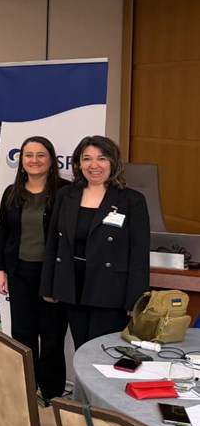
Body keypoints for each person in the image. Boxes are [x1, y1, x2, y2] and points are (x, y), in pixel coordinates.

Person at [41, 136, 150, 348]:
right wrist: (48, 286)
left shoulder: (131, 200)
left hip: (110, 289)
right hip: (73, 286)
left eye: (101, 158)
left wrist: (136, 300)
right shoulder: (66, 195)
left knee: (103, 352)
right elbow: (53, 242)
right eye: (87, 158)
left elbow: (139, 253)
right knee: (81, 348)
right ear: (78, 163)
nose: (94, 165)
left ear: (113, 162)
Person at [0, 136, 68, 402]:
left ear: (51, 160)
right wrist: (0, 270)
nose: (34, 160)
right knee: (23, 334)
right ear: (21, 161)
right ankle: (27, 387)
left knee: (52, 336)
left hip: (52, 276)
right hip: (20, 273)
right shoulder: (12, 192)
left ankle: (52, 393)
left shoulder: (65, 192)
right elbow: (3, 233)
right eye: (28, 155)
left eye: (40, 155)